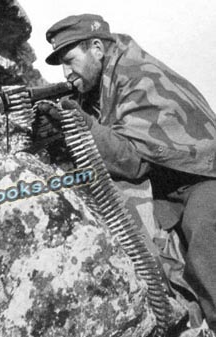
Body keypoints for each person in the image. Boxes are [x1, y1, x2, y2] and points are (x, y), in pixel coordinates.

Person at [43, 13, 216, 334]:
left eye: (70, 60)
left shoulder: (137, 77)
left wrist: (83, 125)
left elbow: (131, 160)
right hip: (169, 186)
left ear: (96, 47)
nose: (67, 72)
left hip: (204, 176)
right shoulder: (102, 83)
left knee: (204, 241)